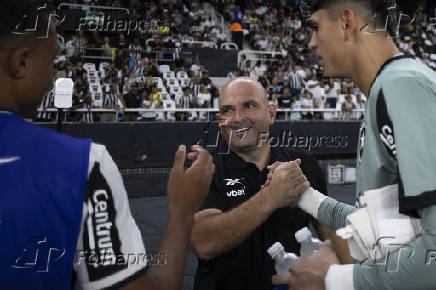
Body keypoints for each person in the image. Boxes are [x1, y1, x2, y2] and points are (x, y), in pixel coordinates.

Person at [0, 1, 215, 289]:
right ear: (21, 63)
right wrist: (182, 211)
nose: (53, 75)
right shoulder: (83, 165)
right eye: (52, 61)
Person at [268, 1, 436, 289]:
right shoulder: (388, 88)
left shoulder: (401, 87)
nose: (310, 43)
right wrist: (307, 198)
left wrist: (337, 280)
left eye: (315, 28)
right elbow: (392, 226)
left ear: (346, 22)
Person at [191, 77, 349, 290]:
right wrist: (271, 197)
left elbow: (331, 236)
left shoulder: (304, 165)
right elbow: (204, 243)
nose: (238, 118)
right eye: (228, 110)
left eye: (249, 105)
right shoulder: (202, 168)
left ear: (271, 113)